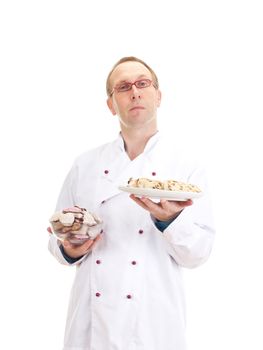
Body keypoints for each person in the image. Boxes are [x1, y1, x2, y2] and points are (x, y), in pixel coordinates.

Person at [48, 56, 215, 350]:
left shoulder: (185, 166)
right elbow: (56, 238)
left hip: (153, 323)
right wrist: (67, 249)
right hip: (91, 325)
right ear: (112, 104)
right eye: (123, 87)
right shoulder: (84, 165)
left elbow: (199, 253)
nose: (134, 92)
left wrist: (169, 221)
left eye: (142, 83)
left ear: (158, 96)